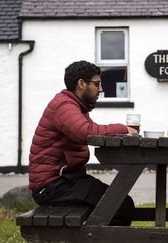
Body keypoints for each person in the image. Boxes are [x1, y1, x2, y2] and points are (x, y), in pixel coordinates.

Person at [28, 60, 138, 226]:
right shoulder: (64, 106)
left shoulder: (74, 106)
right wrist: (124, 129)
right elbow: (86, 132)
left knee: (120, 202)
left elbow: (90, 130)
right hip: (51, 187)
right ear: (81, 83)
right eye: (97, 83)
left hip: (68, 180)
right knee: (119, 205)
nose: (100, 89)